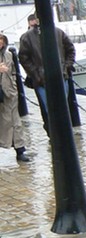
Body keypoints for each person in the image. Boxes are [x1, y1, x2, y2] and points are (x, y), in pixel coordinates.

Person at [18, 14, 76, 137]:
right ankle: (54, 134)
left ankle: (63, 134)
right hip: (41, 81)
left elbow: (70, 49)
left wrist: (66, 67)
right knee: (49, 110)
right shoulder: (27, 37)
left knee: (63, 107)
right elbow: (23, 58)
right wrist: (36, 74)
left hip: (61, 76)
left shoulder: (58, 32)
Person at [0, 34, 29, 162]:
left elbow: (13, 72)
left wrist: (14, 87)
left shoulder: (9, 55)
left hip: (9, 93)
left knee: (15, 122)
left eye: (2, 42)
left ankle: (20, 149)